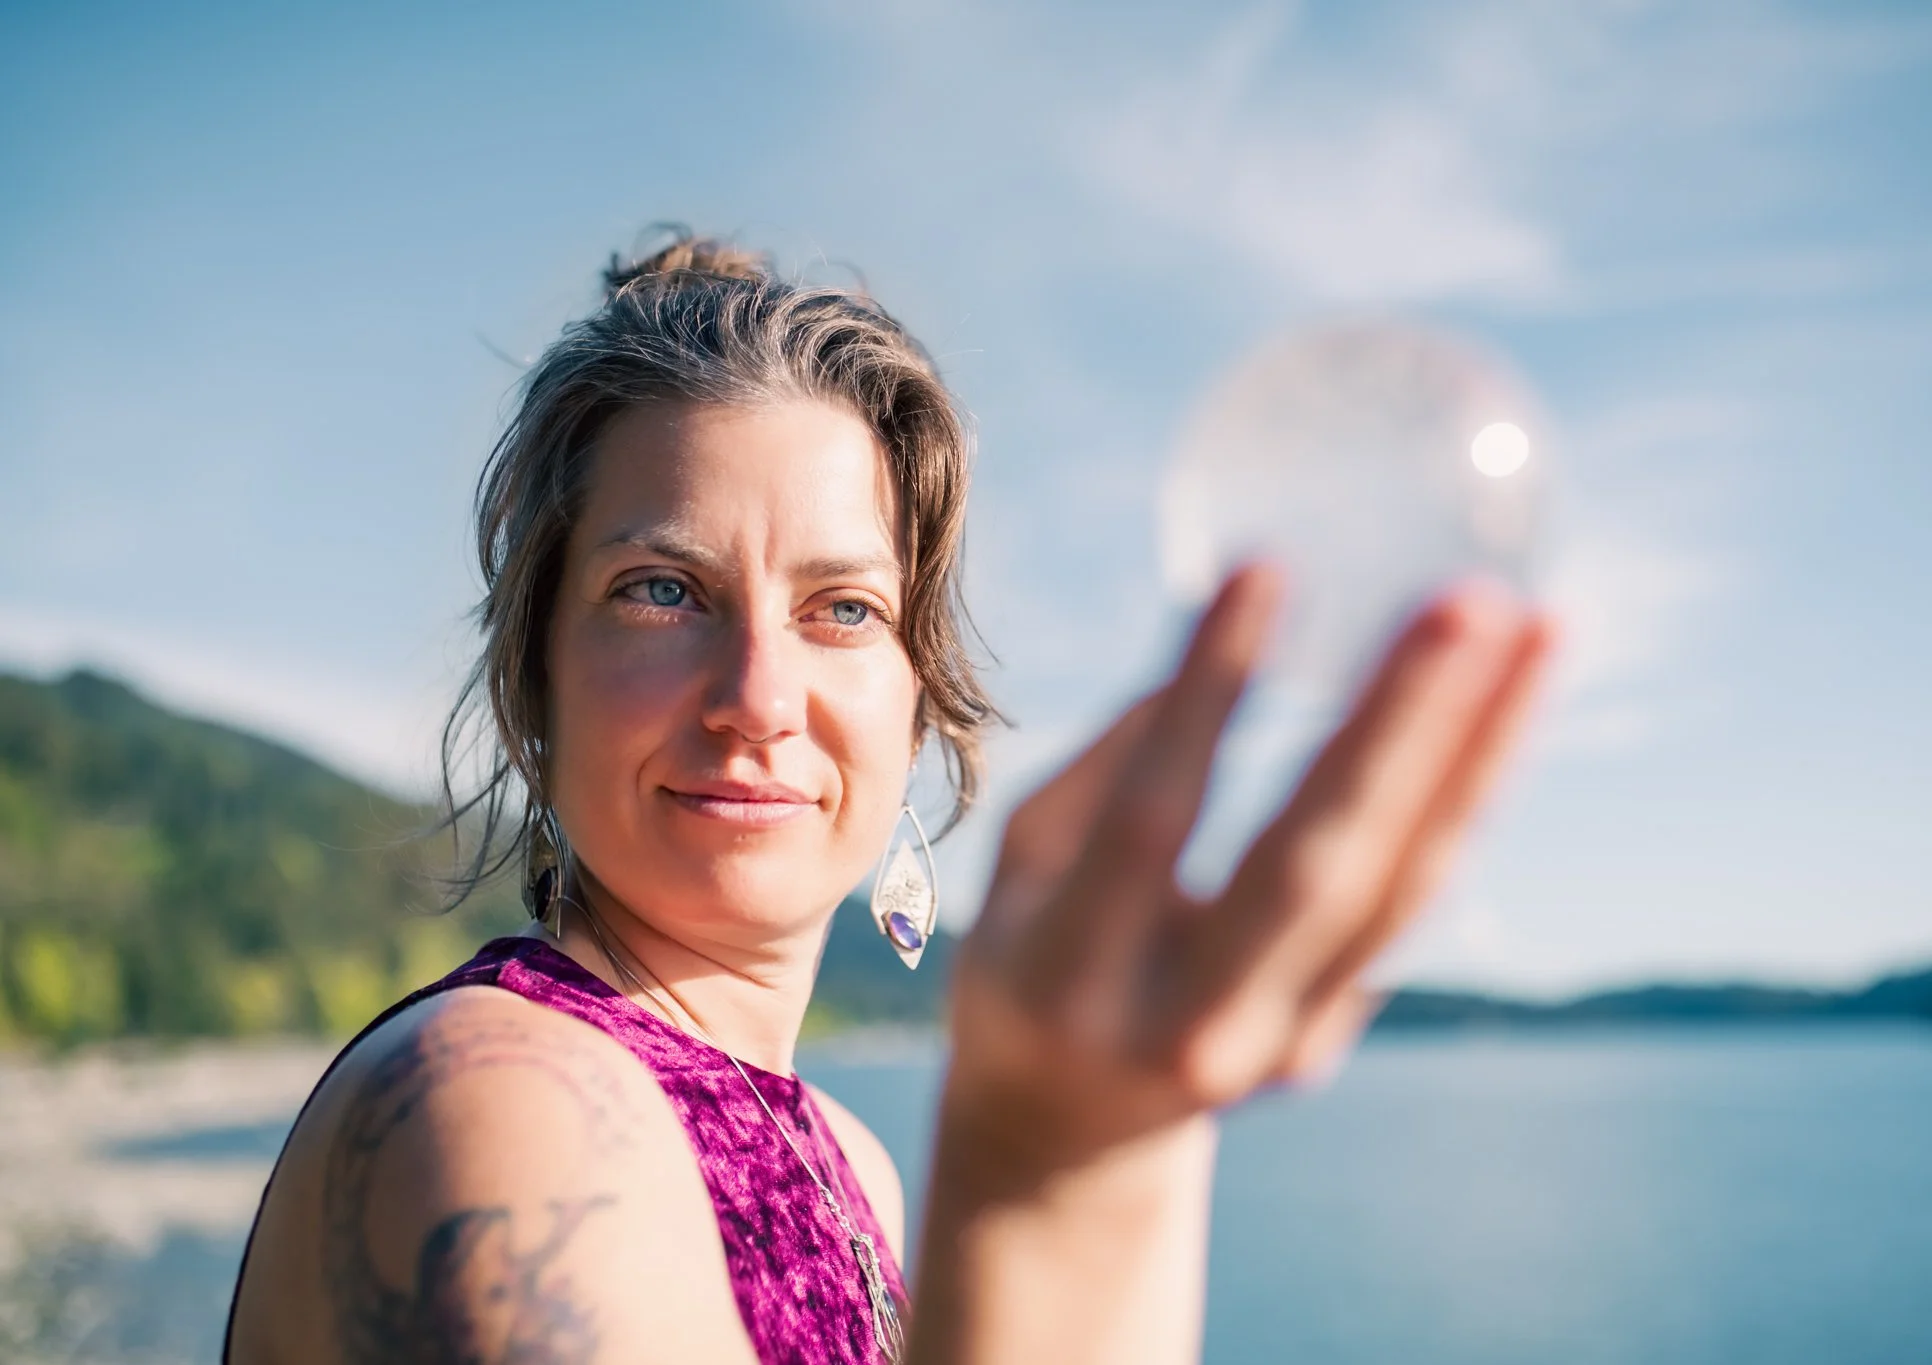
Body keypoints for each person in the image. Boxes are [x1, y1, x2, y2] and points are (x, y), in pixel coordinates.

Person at [222, 231, 1553, 1365]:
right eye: (660, 590)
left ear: (919, 702)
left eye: (842, 610)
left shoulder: (850, 1157)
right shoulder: (501, 1103)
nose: (757, 691)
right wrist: (1061, 1177)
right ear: (535, 685)